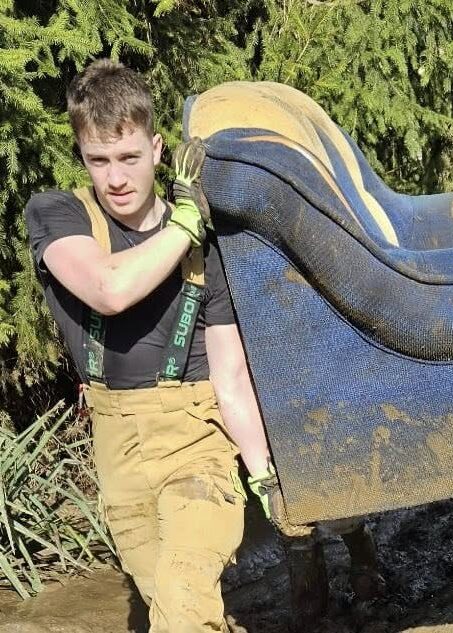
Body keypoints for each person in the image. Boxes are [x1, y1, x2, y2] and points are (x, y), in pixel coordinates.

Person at [24, 59, 271, 632]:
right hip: (118, 452)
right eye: (99, 160)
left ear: (158, 150)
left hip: (196, 441)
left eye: (130, 157)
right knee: (173, 604)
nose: (115, 178)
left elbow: (230, 376)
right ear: (82, 158)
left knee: (184, 606)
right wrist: (185, 224)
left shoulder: (206, 251)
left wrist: (261, 469)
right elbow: (108, 288)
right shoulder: (59, 214)